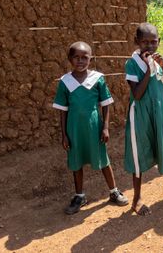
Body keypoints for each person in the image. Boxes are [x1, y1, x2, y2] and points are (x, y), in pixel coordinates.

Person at [53, 41, 128, 214]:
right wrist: (64, 134)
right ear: (70, 59)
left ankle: (114, 191)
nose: (80, 61)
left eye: (84, 57)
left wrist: (105, 127)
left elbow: (105, 104)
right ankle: (79, 196)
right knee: (76, 162)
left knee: (103, 159)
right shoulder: (65, 82)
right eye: (76, 58)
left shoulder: (97, 78)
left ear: (90, 59)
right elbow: (63, 111)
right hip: (74, 130)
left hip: (95, 128)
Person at [124, 22, 163, 215]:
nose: (150, 47)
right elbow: (137, 94)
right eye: (145, 42)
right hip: (141, 114)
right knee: (140, 152)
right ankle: (137, 197)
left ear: (159, 42)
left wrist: (162, 67)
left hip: (161, 113)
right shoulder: (132, 63)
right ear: (137, 42)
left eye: (153, 42)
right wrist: (149, 70)